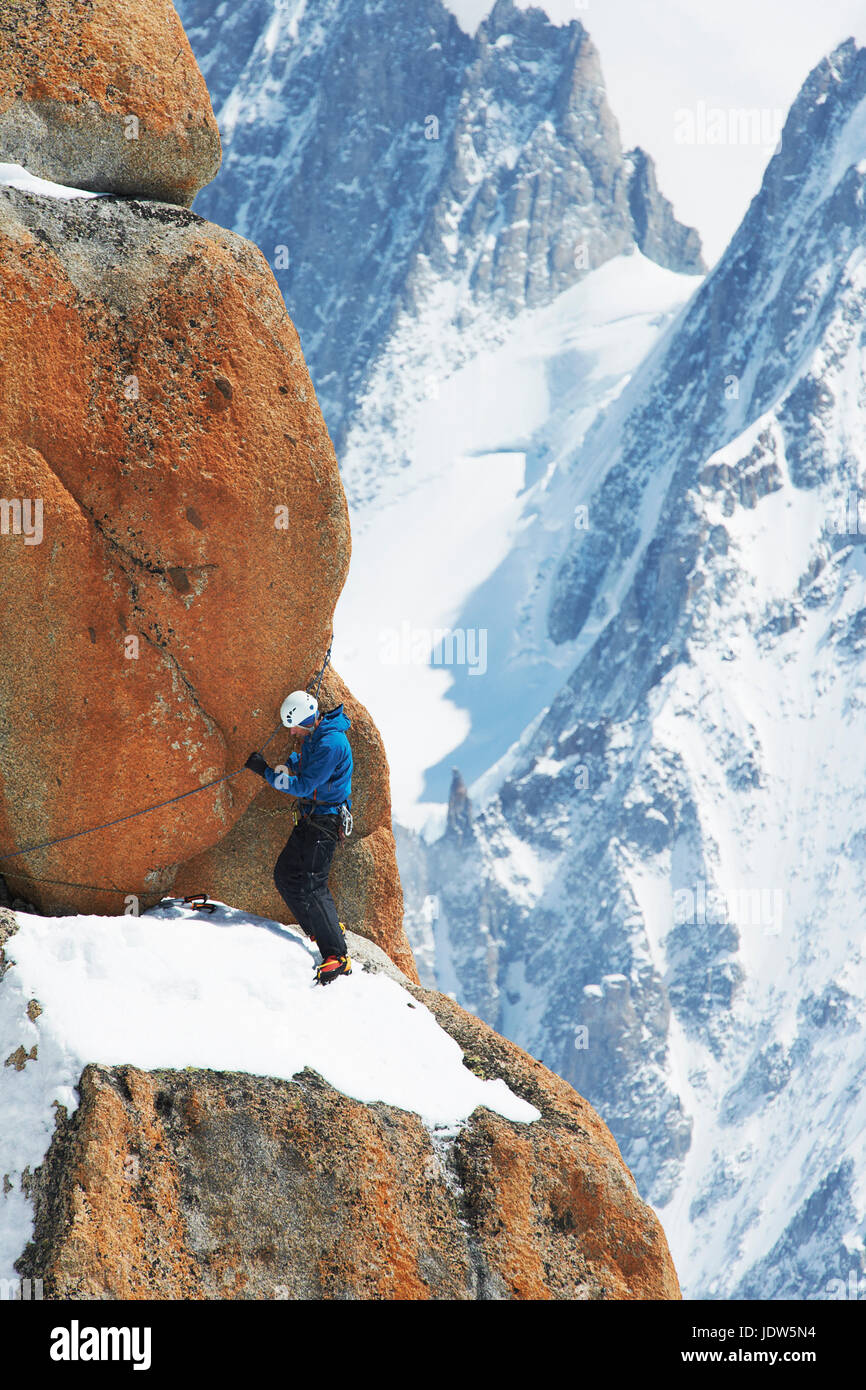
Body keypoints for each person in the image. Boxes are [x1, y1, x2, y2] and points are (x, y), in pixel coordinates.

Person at [244, 690, 353, 985]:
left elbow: (304, 785)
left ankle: (337, 956)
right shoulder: (316, 737)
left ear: (304, 719)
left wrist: (266, 772)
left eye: (292, 725)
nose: (291, 731)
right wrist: (289, 763)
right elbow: (304, 765)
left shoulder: (331, 742)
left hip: (325, 820)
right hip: (312, 817)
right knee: (286, 875)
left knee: (313, 884)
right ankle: (323, 927)